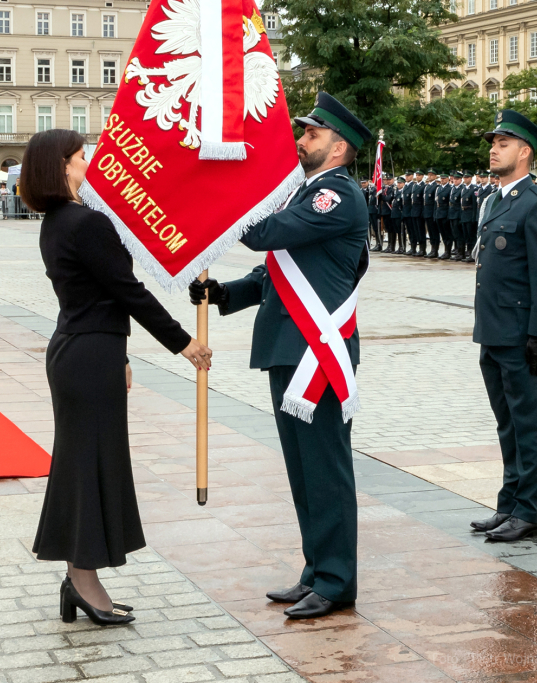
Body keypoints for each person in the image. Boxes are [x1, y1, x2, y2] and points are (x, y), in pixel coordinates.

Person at [190, 92, 371, 619]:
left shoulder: (335, 196)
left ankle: (337, 581)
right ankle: (317, 570)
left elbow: (268, 233)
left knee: (325, 470)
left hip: (317, 354)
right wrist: (227, 294)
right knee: (302, 470)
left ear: (338, 148)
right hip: (289, 348)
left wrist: (217, 196)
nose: (301, 139)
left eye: (312, 134)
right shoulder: (305, 193)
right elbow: (275, 269)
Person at [24, 128, 209, 627]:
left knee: (86, 463)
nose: (91, 163)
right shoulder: (86, 223)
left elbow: (95, 296)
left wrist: (120, 353)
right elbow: (129, 292)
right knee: (86, 467)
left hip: (84, 350)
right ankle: (83, 580)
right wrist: (183, 343)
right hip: (88, 357)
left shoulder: (59, 221)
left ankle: (79, 578)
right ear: (63, 166)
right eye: (83, 157)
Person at [468, 110, 537, 542]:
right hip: (493, 331)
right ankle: (509, 503)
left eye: (503, 143)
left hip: (520, 335)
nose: (494, 149)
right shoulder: (496, 201)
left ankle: (528, 510)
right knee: (507, 423)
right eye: (493, 142)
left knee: (527, 423)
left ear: (524, 152)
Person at [460, 171, 477, 262]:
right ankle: (469, 252)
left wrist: (474, 217)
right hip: (464, 214)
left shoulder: (473, 189)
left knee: (471, 235)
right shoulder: (464, 189)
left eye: (467, 177)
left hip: (470, 215)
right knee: (466, 235)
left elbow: (474, 205)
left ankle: (472, 254)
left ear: (471, 178)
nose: (465, 179)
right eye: (464, 177)